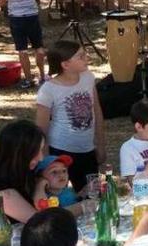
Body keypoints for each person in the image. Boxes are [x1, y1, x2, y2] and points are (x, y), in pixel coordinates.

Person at [36, 40, 105, 191]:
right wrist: (47, 159)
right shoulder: (48, 90)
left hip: (87, 149)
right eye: (80, 56)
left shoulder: (88, 77)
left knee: (92, 193)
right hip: (61, 149)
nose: (86, 58)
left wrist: (100, 144)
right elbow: (41, 129)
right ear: (65, 65)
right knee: (59, 194)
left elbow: (97, 111)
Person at [0, 120, 44, 225]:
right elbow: (40, 222)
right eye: (35, 152)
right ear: (19, 153)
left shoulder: (22, 168)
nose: (41, 158)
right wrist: (80, 207)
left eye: (41, 150)